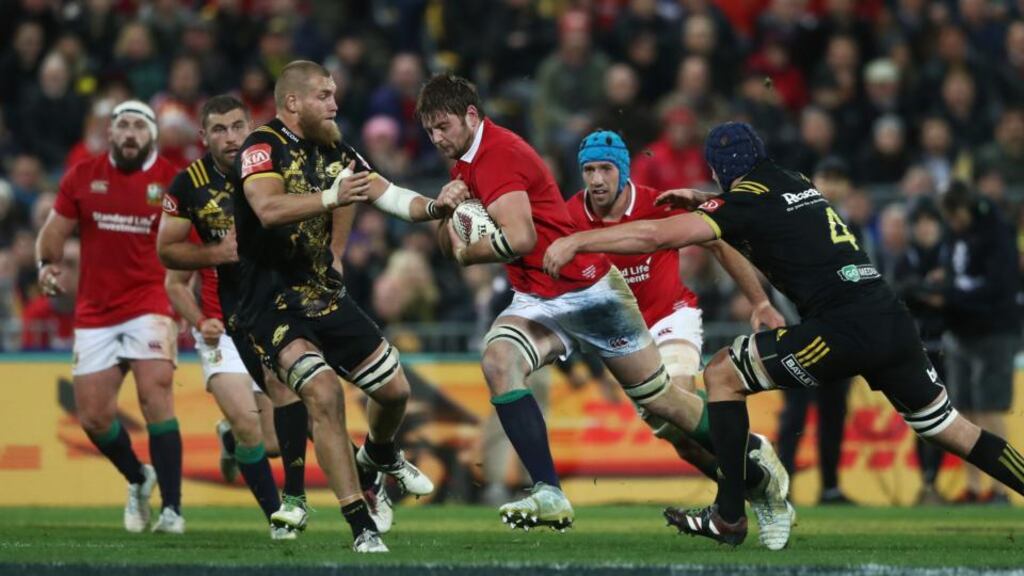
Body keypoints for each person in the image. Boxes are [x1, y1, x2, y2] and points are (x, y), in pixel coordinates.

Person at [544, 122, 1024, 548]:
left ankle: (729, 515)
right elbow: (755, 210)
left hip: (841, 328)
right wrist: (704, 199)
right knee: (950, 429)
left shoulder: (743, 202)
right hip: (890, 318)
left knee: (723, 375)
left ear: (718, 170)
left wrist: (576, 240)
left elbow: (655, 237)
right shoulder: (794, 181)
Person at [418, 76, 792, 549]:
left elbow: (520, 239)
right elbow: (461, 243)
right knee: (499, 359)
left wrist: (760, 301)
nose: (436, 139)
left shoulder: (503, 157)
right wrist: (444, 213)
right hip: (543, 296)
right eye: (429, 131)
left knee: (669, 407)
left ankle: (751, 461)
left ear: (471, 115)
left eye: (442, 127)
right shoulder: (487, 173)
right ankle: (550, 491)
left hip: (621, 301)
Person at [231, 60, 437, 553]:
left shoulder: (336, 150)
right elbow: (268, 208)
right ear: (294, 102)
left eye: (334, 94)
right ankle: (361, 524)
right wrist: (329, 196)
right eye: (324, 95)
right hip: (272, 304)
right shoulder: (262, 146)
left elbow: (386, 194)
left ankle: (381, 454)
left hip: (323, 294)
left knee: (394, 391)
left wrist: (436, 208)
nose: (335, 104)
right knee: (323, 394)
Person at [566, 129, 788, 482]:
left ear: (622, 170)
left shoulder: (659, 204)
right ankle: (755, 488)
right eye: (589, 170)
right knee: (683, 441)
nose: (596, 179)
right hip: (626, 344)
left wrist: (759, 301)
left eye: (605, 169)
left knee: (678, 396)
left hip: (671, 317)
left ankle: (753, 449)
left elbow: (719, 243)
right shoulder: (568, 218)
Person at [35, 100, 184, 533]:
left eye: (139, 125)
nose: (130, 133)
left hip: (149, 302)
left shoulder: (171, 181)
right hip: (96, 310)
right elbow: (55, 230)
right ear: (110, 133)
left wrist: (186, 296)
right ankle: (139, 479)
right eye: (123, 125)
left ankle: (172, 510)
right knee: (94, 418)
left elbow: (190, 241)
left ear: (152, 134)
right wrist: (47, 265)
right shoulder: (83, 175)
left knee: (155, 395)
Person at [155, 95, 293, 539]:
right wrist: (200, 322)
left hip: (269, 323)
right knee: (252, 426)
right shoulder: (188, 186)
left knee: (272, 442)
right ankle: (278, 520)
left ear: (250, 125)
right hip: (222, 329)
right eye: (219, 129)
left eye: (237, 127)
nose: (231, 137)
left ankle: (229, 439)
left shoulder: (273, 169)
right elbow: (174, 280)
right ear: (204, 137)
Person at [938, 183, 1020, 505]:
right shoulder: (958, 235)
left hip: (994, 332)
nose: (952, 223)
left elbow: (998, 287)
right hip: (960, 332)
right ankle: (974, 487)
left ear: (966, 209)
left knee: (990, 408)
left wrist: (950, 295)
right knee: (965, 411)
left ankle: (1000, 489)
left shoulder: (997, 234)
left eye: (954, 216)